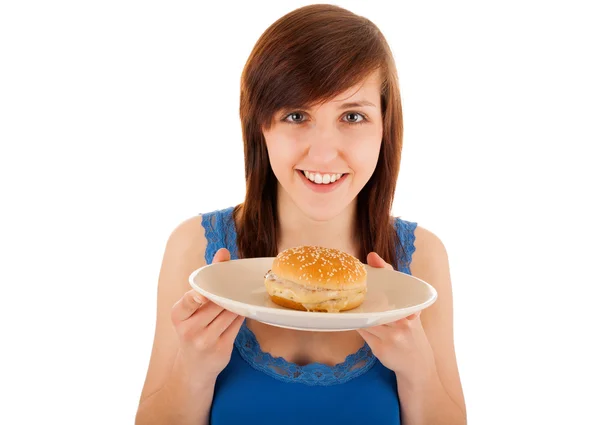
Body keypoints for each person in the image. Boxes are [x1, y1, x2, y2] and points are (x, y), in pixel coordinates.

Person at [135, 4, 466, 425]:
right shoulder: (196, 249)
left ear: (385, 127)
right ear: (261, 126)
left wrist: (417, 370)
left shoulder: (421, 261)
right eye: (296, 115)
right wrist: (193, 369)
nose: (324, 152)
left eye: (352, 116)